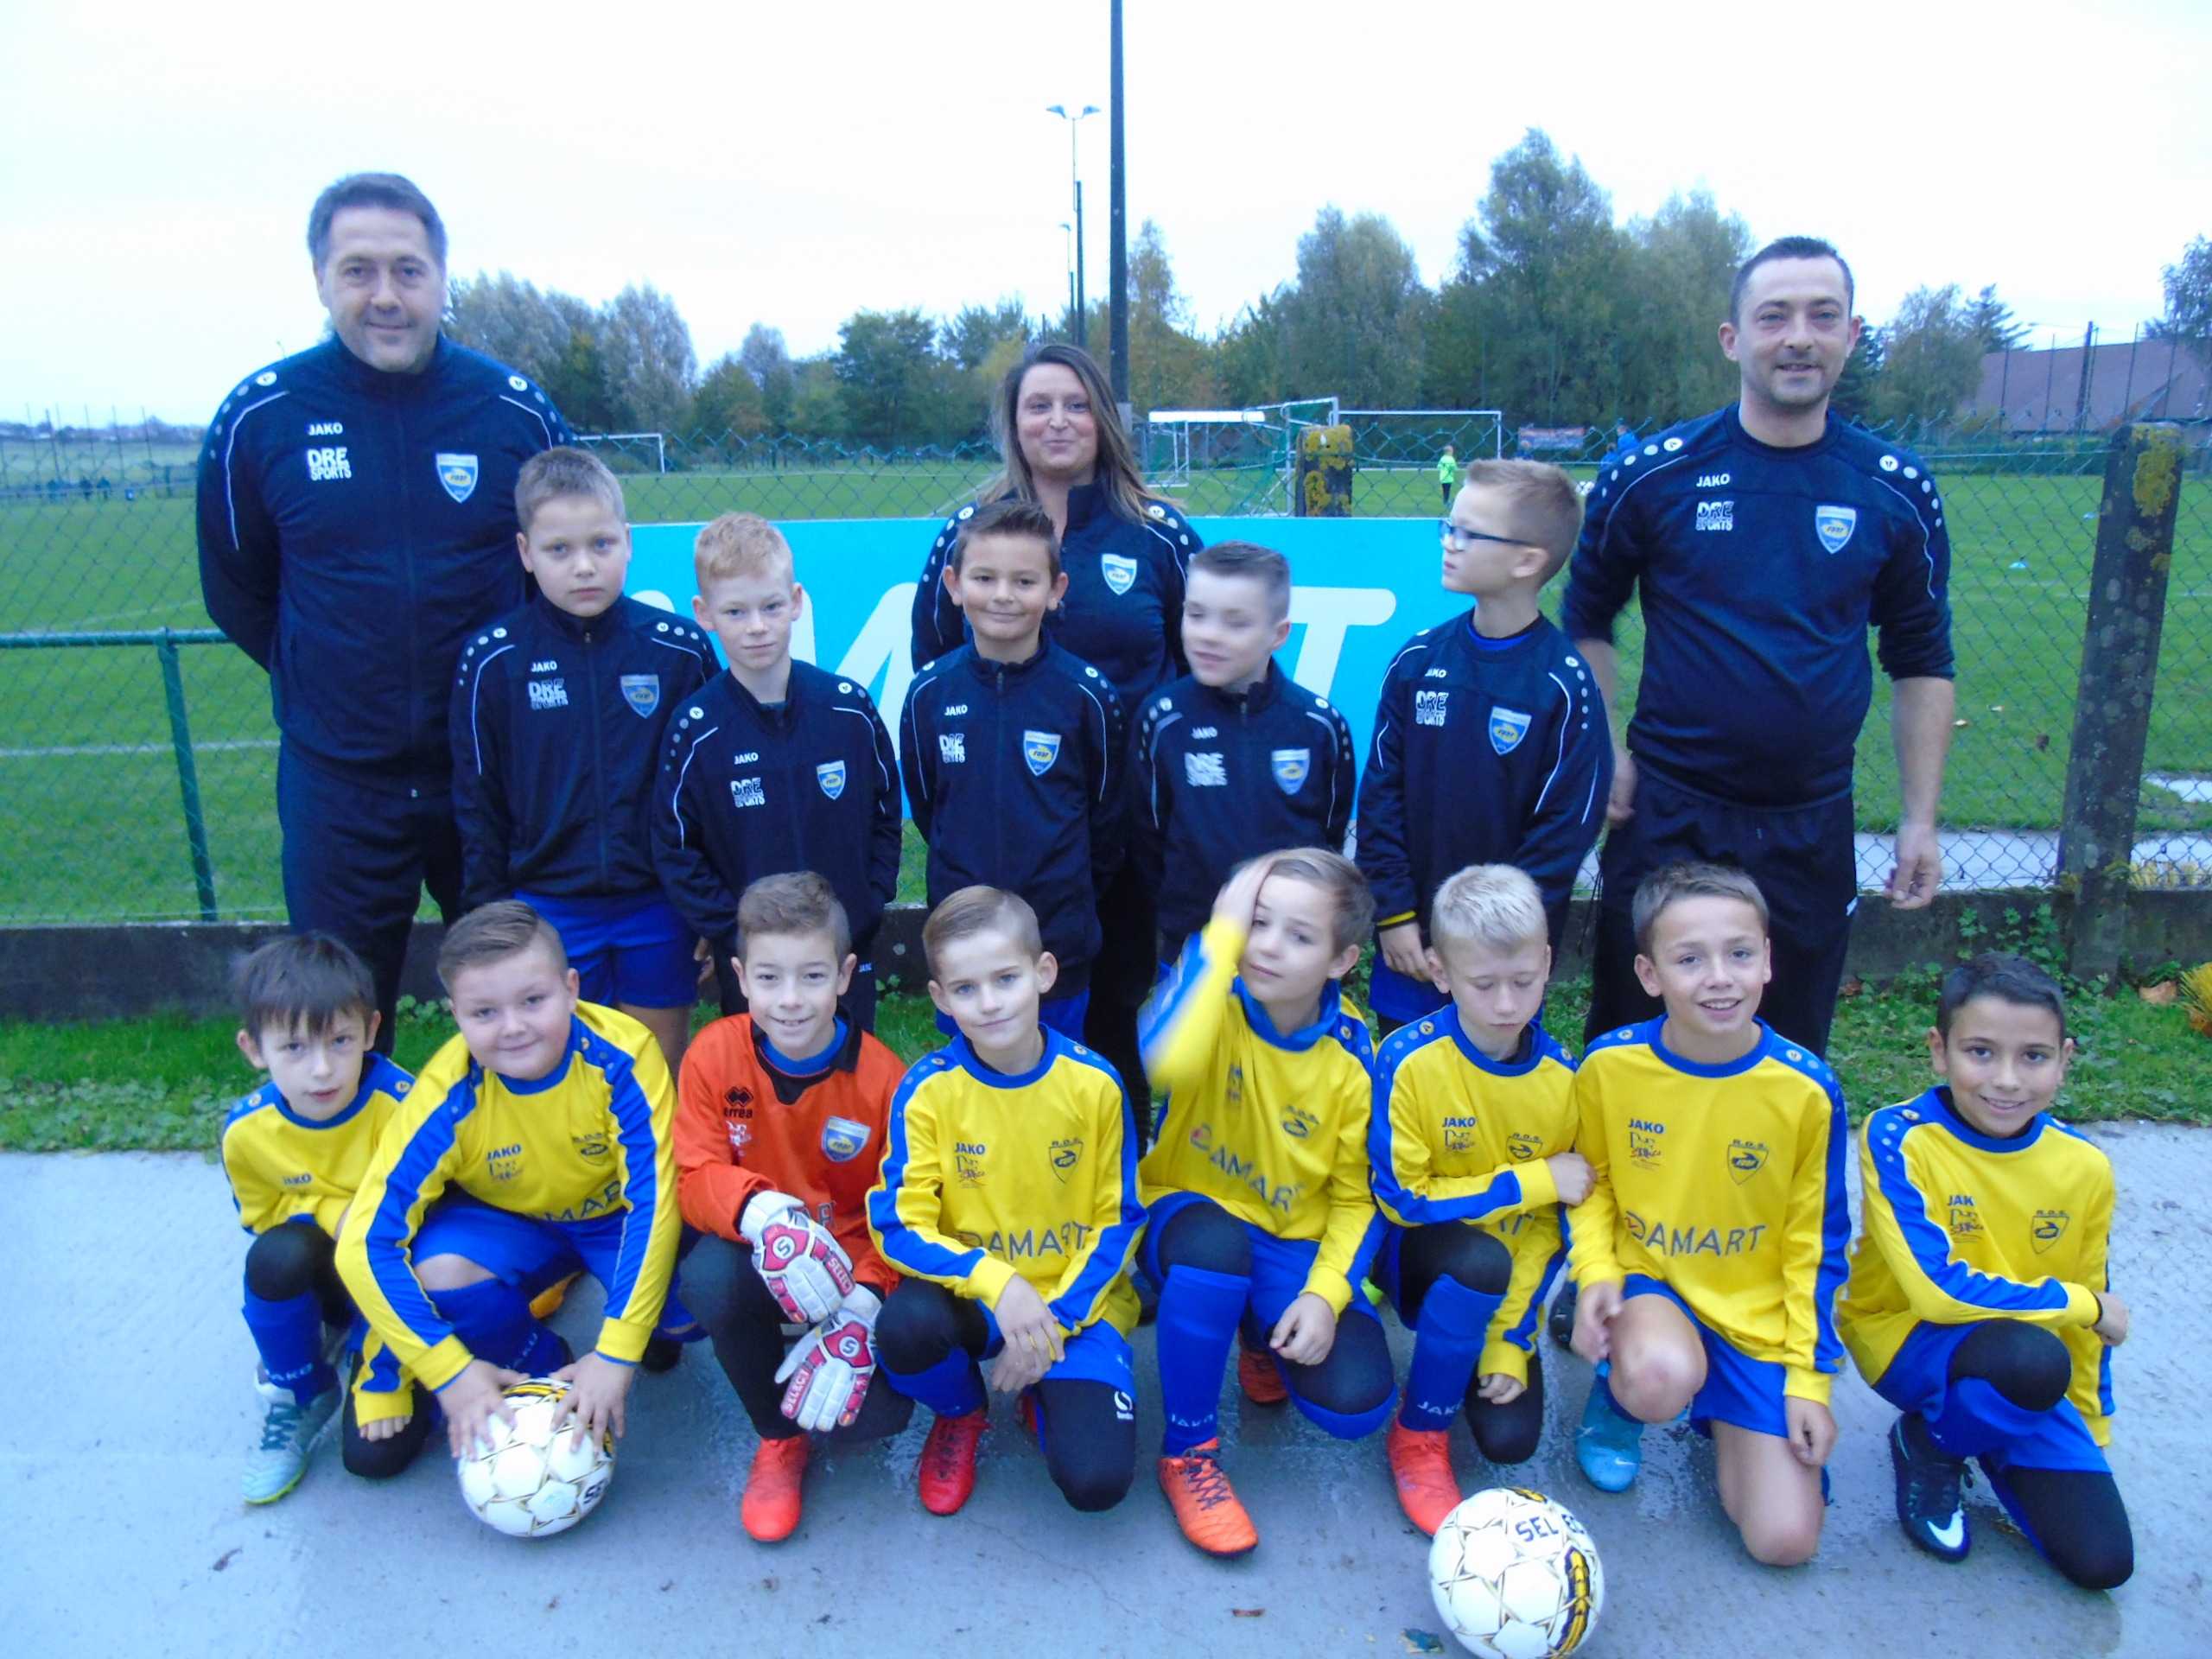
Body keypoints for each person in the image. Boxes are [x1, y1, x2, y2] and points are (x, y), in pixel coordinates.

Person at [196, 173, 573, 1043]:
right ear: (320, 279)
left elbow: (558, 577)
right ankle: (360, 1140)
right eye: (357, 271)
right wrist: (328, 675)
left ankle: (521, 1138)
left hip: (491, 774)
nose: (386, 296)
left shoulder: (515, 412)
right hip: (340, 782)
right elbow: (238, 588)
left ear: (441, 276)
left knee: (518, 1010)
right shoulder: (262, 417)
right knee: (338, 1019)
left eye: (407, 270)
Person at [1560, 235, 1955, 1061]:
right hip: (1669, 810)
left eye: (1823, 316)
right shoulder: (1653, 475)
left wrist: (1920, 818)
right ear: (1733, 339)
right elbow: (1587, 619)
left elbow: (1921, 659)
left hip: (1809, 821)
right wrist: (1605, 754)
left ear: (1852, 335)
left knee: (1789, 1048)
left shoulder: (1894, 487)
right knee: (1632, 1039)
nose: (1799, 337)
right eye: (1774, 317)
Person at [910, 343, 1201, 1102]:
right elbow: (934, 665)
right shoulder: (969, 531)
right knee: (996, 1007)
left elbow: (1201, 662)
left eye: (1076, 404)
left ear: (1103, 418)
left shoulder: (1159, 534)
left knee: (1116, 996)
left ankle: (1114, 1142)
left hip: (1124, 822)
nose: (1058, 420)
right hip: (1015, 827)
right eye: (1038, 405)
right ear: (1014, 422)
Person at [335, 901, 689, 1459]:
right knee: (440, 1272)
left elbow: (655, 1205)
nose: (514, 1027)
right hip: (514, 1223)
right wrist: (449, 1372)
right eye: (485, 1012)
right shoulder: (446, 1095)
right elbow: (361, 1245)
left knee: (693, 1305)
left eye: (533, 1001)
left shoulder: (623, 1058)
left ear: (571, 990)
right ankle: (543, 1366)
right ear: (456, 1014)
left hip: (612, 1219)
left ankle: (647, 1332)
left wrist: (618, 1351)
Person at [1568, 863, 1848, 1567]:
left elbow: (1815, 1245)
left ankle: (1736, 1410)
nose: (1719, 978)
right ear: (1649, 973)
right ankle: (1620, 1404)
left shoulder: (1806, 1091)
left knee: (1784, 1542)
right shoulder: (1609, 1068)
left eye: (1739, 954)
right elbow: (1591, 1185)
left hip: (1760, 1317)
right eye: (1689, 959)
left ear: (1768, 961)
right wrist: (1597, 1273)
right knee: (1659, 1376)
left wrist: (1808, 1382)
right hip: (1656, 1286)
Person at [1838, 955, 2132, 1589]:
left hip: (2027, 1360)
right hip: (1907, 1340)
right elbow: (1937, 1294)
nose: (2006, 1080)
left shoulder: (2085, 1166)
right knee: (2032, 1361)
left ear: (2064, 1060)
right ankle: (1931, 1445)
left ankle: (1990, 1425)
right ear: (1939, 1051)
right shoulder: (1900, 1137)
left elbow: (2093, 1314)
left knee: (2103, 1563)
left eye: (2033, 1057)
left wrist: (2091, 1424)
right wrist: (2082, 1306)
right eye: (1980, 1052)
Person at [1138, 850, 1392, 1556]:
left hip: (1287, 1240)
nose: (1268, 946)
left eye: (1299, 936)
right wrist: (1219, 938)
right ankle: (1188, 1452)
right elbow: (1162, 1059)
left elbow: (1358, 1200)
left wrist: (1325, 1295)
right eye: (1258, 922)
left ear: (1341, 961)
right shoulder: (1212, 989)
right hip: (1186, 1211)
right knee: (1214, 1251)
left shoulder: (1354, 1060)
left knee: (1356, 1402)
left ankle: (1259, 1333)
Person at [866, 887, 1144, 1517]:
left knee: (1097, 1482)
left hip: (1076, 1301)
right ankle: (963, 1413)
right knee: (905, 1330)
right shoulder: (928, 1091)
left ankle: (1044, 1391)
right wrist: (1000, 1283)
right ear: (940, 999)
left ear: (1043, 973)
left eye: (1006, 979)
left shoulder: (1096, 1085)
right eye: (965, 989)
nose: (989, 1003)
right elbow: (897, 1224)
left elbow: (1121, 1219)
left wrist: (1054, 1322)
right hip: (982, 1296)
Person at [450, 447, 715, 1071]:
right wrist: (495, 919)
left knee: (655, 1069)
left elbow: (707, 793)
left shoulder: (678, 650)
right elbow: (477, 802)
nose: (584, 566)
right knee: (566, 1075)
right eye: (559, 550)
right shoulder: (493, 660)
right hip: (548, 906)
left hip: (657, 904)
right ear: (525, 553)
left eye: (601, 544)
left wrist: (708, 906)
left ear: (628, 542)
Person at [673, 873, 914, 1542]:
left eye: (811, 977)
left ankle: (839, 1346)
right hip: (758, 1254)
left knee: (876, 1421)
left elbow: (902, 1212)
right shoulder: (712, 1055)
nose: (789, 1000)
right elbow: (694, 1176)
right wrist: (764, 1215)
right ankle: (777, 1436)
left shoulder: (887, 1080)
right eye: (769, 978)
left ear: (845, 976)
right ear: (741, 978)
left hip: (851, 1268)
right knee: (708, 1278)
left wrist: (865, 1303)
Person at [1368, 866, 1587, 1534]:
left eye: (1523, 981)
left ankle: (1473, 1343)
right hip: (1413, 1257)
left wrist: (1511, 1337)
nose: (1505, 1004)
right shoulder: (1407, 1059)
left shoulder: (1566, 1081)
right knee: (1478, 1260)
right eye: (1483, 984)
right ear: (1440, 972)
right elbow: (1403, 1199)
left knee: (1509, 1442)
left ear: (1546, 962)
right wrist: (1530, 1180)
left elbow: (1548, 1231)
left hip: (1503, 1284)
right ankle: (1419, 1433)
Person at [1357, 460, 1611, 1033]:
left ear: (1527, 561)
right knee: (1406, 1076)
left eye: (1469, 533)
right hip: (1411, 947)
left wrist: (1490, 942)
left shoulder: (1564, 686)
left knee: (1496, 1083)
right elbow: (1380, 799)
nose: (1449, 542)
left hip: (1500, 964)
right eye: (1449, 527)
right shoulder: (1418, 660)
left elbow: (1560, 837)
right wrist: (1394, 915)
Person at [654, 513, 901, 1030]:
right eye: (736, 611)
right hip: (754, 960)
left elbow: (885, 813)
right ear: (705, 614)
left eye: (770, 606)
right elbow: (676, 848)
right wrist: (733, 932)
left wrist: (868, 903)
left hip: (843, 947)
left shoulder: (848, 708)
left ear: (796, 601)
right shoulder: (696, 728)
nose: (757, 626)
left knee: (850, 1064)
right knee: (762, 1070)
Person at [900, 500, 1124, 1039]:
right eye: (985, 578)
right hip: (963, 942)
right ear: (954, 585)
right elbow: (930, 808)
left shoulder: (1086, 695)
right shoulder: (929, 693)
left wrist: (1066, 892)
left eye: (1024, 581)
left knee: (1058, 1074)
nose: (1003, 595)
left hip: (1056, 941)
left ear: (1056, 589)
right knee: (971, 1080)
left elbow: (1107, 822)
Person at [220, 933, 427, 1501]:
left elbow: (429, 1234)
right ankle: (300, 1391)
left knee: (373, 1458)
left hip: (403, 1278)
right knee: (275, 1258)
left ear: (371, 1030)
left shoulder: (404, 1107)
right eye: (294, 1048)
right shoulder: (246, 1133)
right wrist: (334, 1213)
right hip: (330, 1269)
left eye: (340, 1041)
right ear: (253, 1049)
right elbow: (265, 1222)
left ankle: (378, 1352)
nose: (321, 1069)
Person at [1130, 541, 1356, 969]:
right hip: (1193, 946)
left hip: (1288, 954)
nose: (1209, 635)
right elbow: (1147, 841)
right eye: (1196, 615)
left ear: (1278, 634)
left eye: (1235, 623)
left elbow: (1329, 837)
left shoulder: (1318, 725)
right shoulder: (1162, 719)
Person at [1437, 443, 1458, 510]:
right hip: (1449, 478)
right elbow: (1454, 468)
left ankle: (1445, 500)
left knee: (1445, 489)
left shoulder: (1442, 458)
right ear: (1449, 452)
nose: (1452, 452)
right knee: (1447, 490)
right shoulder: (1451, 459)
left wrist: (1444, 468)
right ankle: (1446, 501)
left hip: (1442, 477)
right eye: (1452, 451)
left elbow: (1439, 467)